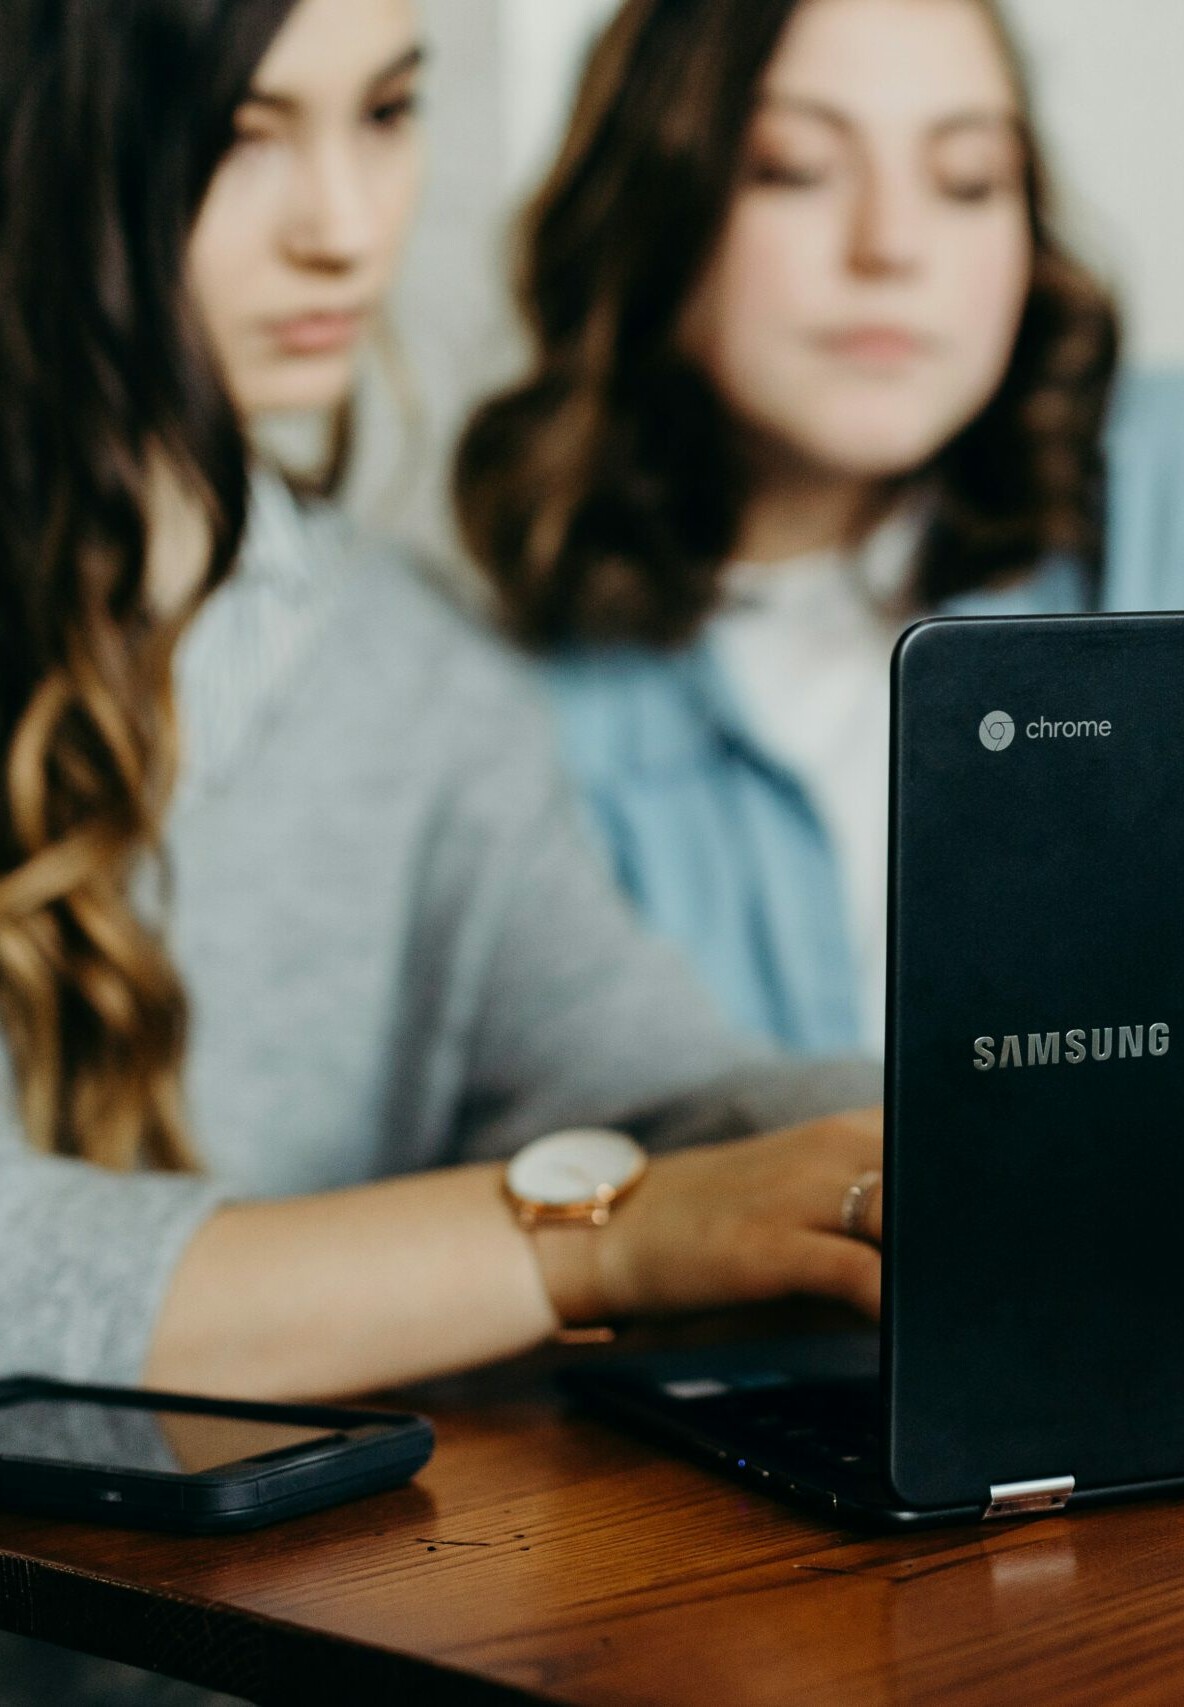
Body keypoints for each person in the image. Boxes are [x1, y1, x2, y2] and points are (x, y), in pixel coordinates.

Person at [0, 0, 889, 1425]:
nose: (345, 228)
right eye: (244, 136)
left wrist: (947, 1135)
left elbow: (652, 1090)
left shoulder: (415, 667)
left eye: (388, 112)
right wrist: (596, 1239)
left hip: (300, 1642)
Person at [456, 0, 1184, 1060]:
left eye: (968, 181)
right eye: (794, 168)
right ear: (646, 203)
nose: (891, 247)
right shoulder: (506, 696)